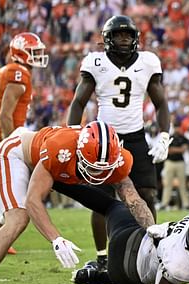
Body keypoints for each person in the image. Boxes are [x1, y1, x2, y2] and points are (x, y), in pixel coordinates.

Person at [0, 120, 154, 284]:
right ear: (79, 151)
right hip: (16, 156)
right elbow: (33, 200)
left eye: (103, 168)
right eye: (91, 166)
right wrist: (56, 239)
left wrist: (154, 232)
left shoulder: (119, 159)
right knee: (18, 219)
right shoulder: (61, 149)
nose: (97, 173)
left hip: (45, 163)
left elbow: (134, 200)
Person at [67, 15, 170, 270]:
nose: (123, 39)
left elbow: (161, 104)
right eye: (118, 35)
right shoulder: (96, 62)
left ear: (135, 38)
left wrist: (164, 135)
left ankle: (149, 254)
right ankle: (103, 257)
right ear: (107, 39)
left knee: (147, 194)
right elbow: (79, 102)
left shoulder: (148, 62)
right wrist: (71, 132)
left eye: (127, 35)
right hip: (102, 138)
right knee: (101, 199)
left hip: (135, 136)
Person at [0, 32, 49, 254]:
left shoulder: (13, 70)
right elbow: (6, 113)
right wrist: (10, 144)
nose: (37, 56)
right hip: (5, 132)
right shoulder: (19, 72)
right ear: (20, 52)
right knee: (3, 193)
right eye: (33, 52)